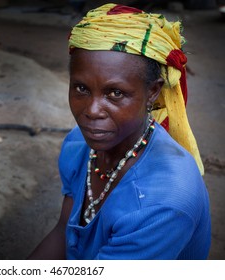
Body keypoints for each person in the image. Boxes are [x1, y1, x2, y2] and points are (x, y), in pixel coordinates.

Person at [28, 3, 211, 260]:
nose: (92, 111)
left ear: (153, 91)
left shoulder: (163, 202)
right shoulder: (78, 145)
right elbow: (63, 232)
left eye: (115, 93)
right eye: (81, 88)